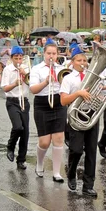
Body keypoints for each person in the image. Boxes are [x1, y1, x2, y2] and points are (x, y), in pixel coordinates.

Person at [60, 46, 98, 197]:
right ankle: (71, 173)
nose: (82, 63)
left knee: (91, 151)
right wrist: (78, 93)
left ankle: (88, 185)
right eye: (79, 60)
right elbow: (63, 101)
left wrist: (104, 97)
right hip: (76, 115)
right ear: (72, 62)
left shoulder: (93, 76)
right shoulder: (68, 78)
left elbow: (98, 95)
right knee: (76, 150)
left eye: (84, 60)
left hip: (92, 114)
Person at [29, 40, 67, 182]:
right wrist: (45, 82)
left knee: (58, 138)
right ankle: (39, 163)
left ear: (57, 54)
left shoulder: (61, 68)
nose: (51, 56)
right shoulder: (37, 69)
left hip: (58, 103)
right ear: (44, 54)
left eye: (54, 53)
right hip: (42, 103)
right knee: (44, 141)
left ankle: (56, 172)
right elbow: (33, 90)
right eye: (49, 53)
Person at [1, 45, 30, 169]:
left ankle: (21, 160)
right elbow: (5, 88)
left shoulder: (26, 68)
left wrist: (25, 75)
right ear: (12, 58)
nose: (18, 60)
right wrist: (14, 84)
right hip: (12, 101)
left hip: (24, 100)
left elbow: (32, 84)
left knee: (25, 133)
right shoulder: (7, 70)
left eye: (20, 58)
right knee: (18, 127)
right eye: (16, 58)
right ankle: (10, 146)